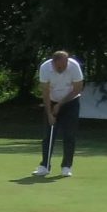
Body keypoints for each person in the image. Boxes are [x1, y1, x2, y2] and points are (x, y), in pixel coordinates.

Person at [35, 50, 84, 178]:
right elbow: (45, 93)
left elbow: (78, 88)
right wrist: (50, 114)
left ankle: (66, 166)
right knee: (48, 135)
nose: (62, 68)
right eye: (59, 67)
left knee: (69, 134)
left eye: (64, 65)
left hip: (71, 102)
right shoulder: (45, 68)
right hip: (51, 101)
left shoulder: (74, 66)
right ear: (53, 63)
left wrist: (60, 104)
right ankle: (44, 166)